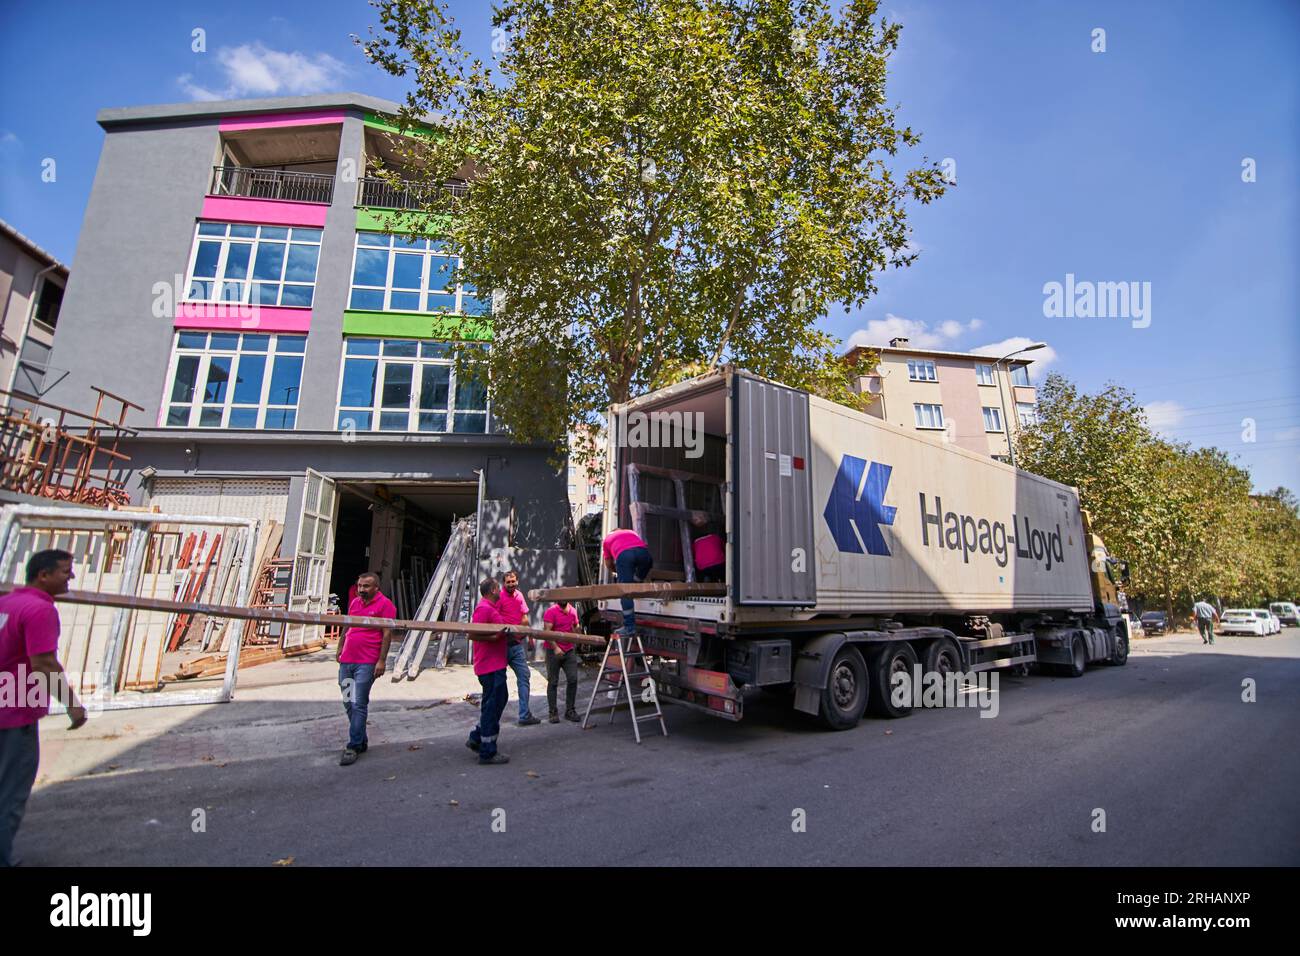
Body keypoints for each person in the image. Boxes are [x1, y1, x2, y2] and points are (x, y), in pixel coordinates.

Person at [1, 549, 88, 867]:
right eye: (66, 571)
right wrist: (72, 705)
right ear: (44, 575)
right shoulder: (40, 610)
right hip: (15, 713)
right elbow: (45, 664)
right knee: (9, 793)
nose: (72, 577)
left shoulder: (8, 602)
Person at [336, 572, 396, 766]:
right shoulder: (355, 603)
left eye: (366, 586)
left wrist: (382, 661)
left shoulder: (386, 605)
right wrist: (339, 646)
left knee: (358, 702)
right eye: (360, 585)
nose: (361, 589)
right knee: (347, 700)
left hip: (367, 662)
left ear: (376, 588)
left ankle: (353, 745)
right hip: (347, 660)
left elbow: (387, 635)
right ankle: (361, 739)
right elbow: (347, 625)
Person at [466, 579, 513, 765]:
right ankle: (487, 751)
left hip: (495, 664)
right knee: (493, 705)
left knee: (497, 701)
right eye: (499, 588)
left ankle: (477, 737)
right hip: (489, 666)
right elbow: (472, 633)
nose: (501, 591)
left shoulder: (491, 607)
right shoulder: (484, 609)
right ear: (493, 590)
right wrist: (495, 636)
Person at [497, 570, 540, 725]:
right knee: (498, 682)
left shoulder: (519, 596)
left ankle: (524, 715)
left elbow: (524, 618)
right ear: (504, 583)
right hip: (501, 645)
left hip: (516, 645)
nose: (511, 584)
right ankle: (492, 716)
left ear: (517, 581)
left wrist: (530, 637)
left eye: (513, 581)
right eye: (508, 582)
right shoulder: (499, 597)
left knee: (524, 676)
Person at [602, 528, 653, 635]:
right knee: (647, 563)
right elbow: (642, 549)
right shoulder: (631, 532)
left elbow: (608, 563)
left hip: (624, 555)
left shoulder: (607, 540)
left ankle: (629, 627)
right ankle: (637, 580)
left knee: (625, 592)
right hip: (643, 553)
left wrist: (618, 572)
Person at [542, 599, 582, 722]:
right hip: (553, 650)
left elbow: (576, 628)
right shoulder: (551, 611)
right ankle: (553, 712)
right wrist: (555, 648)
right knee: (553, 681)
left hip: (569, 650)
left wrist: (578, 632)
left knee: (573, 679)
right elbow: (547, 632)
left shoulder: (573, 611)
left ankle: (570, 711)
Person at [690, 514, 725, 583]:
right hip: (719, 565)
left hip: (703, 568)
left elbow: (693, 555)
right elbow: (724, 548)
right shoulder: (715, 538)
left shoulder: (696, 542)